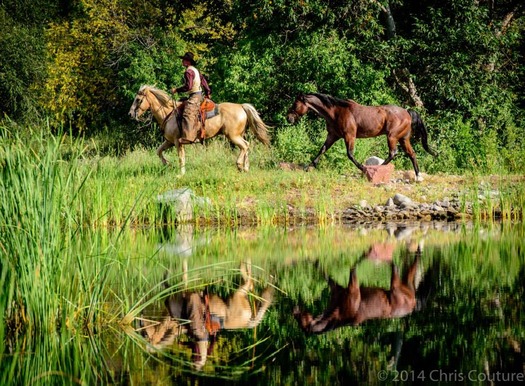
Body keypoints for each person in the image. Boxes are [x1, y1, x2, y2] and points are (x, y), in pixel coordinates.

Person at [171, 52, 212, 144]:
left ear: (188, 62)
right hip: (198, 94)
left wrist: (176, 90)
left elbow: (188, 87)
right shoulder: (195, 70)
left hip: (195, 96)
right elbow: (203, 81)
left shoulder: (188, 72)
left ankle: (189, 137)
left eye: (184, 60)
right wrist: (208, 92)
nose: (182, 61)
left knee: (188, 113)